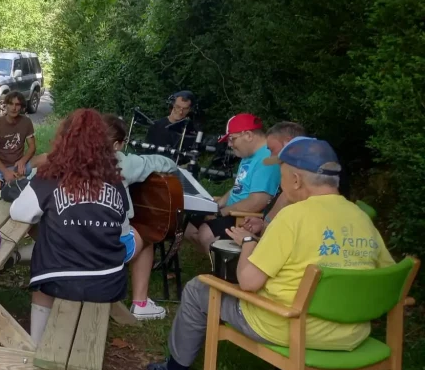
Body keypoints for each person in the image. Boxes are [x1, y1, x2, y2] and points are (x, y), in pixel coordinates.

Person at [146, 138, 395, 370]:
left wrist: (248, 243)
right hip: (350, 333)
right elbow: (389, 279)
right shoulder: (360, 217)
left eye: (282, 175)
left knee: (198, 289)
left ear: (297, 180)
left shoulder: (292, 217)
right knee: (292, 285)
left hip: (290, 327)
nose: (281, 183)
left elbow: (249, 282)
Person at [9, 109, 129, 345]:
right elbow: (122, 225)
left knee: (43, 280)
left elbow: (19, 212)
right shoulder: (116, 182)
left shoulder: (50, 178)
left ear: (64, 140)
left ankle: (37, 345)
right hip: (110, 280)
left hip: (60, 279)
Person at [104, 114, 179, 321]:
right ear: (118, 144)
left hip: (71, 243)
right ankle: (141, 303)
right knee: (147, 236)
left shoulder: (71, 160)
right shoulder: (123, 163)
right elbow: (165, 164)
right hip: (107, 248)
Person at [185, 113, 280, 254]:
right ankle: (217, 261)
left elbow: (257, 202)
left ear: (248, 135)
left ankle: (227, 270)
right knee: (188, 226)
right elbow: (239, 186)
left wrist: (219, 214)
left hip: (245, 216)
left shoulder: (267, 159)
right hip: (232, 210)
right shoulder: (249, 154)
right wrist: (216, 205)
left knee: (205, 231)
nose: (229, 144)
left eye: (232, 139)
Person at [240, 122, 306, 236]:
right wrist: (262, 223)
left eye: (272, 149)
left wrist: (253, 240)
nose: (270, 157)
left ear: (288, 143)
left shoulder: (302, 176)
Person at [0, 91, 36, 189]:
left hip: (19, 165)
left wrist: (23, 161)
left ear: (21, 107)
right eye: (11, 104)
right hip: (0, 166)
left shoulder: (26, 122)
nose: (14, 108)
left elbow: (32, 147)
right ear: (6, 105)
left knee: (46, 159)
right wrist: (5, 172)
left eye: (17, 104)